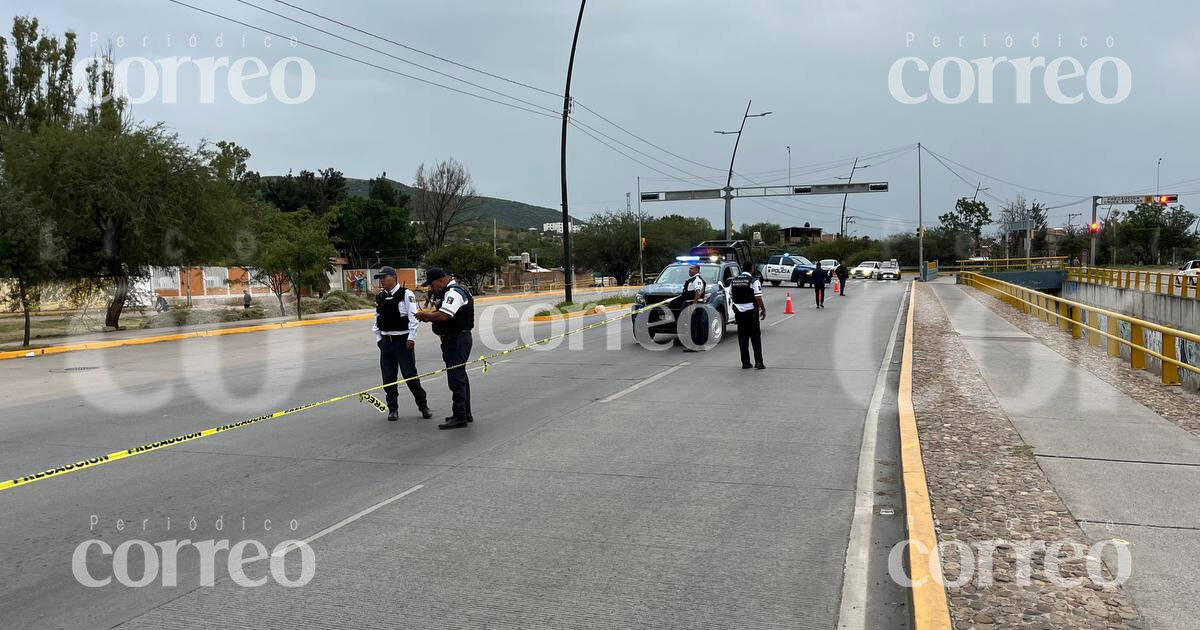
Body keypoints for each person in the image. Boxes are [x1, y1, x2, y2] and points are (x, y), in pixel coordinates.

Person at [413, 268, 475, 430]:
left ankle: (460, 416)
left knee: (456, 378)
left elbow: (444, 316)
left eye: (432, 285)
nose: (431, 289)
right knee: (460, 376)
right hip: (456, 339)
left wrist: (425, 316)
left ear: (441, 280)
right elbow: (442, 313)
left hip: (457, 340)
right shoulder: (452, 291)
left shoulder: (454, 293)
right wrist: (430, 315)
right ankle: (464, 413)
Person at [373, 267, 432, 422]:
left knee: (410, 376)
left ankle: (423, 406)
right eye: (380, 278)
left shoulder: (406, 294)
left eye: (383, 277)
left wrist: (412, 338)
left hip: (403, 342)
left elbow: (413, 317)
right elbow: (377, 318)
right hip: (386, 342)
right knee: (388, 379)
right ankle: (393, 409)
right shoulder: (380, 297)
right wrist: (378, 339)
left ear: (393, 277)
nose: (381, 280)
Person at [729, 269, 766, 369]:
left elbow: (731, 294)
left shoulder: (733, 281)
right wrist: (763, 309)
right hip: (751, 313)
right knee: (755, 338)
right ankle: (759, 362)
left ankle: (745, 363)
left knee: (742, 338)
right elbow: (758, 297)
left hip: (739, 314)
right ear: (752, 269)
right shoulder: (753, 280)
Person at [682, 263, 707, 351]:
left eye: (691, 269)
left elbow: (698, 292)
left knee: (693, 325)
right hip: (694, 304)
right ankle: (700, 345)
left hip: (695, 304)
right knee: (698, 325)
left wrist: (694, 306)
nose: (689, 270)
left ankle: (694, 346)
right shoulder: (692, 280)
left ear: (697, 270)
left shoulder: (697, 279)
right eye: (689, 269)